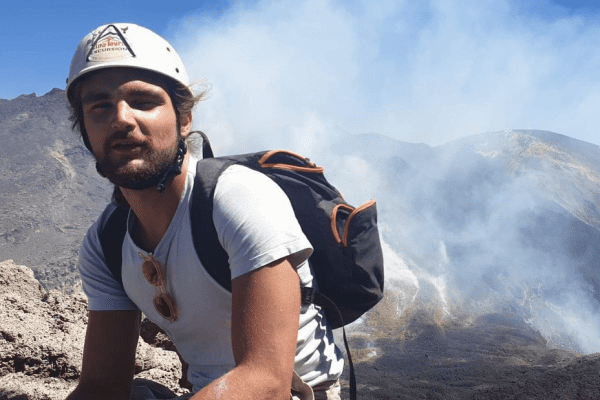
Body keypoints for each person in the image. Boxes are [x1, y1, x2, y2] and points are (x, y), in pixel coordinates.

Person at [64, 23, 344, 400]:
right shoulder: (107, 243)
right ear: (84, 129)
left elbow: (267, 382)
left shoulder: (237, 198)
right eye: (99, 107)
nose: (121, 119)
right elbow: (101, 386)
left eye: (144, 101)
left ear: (184, 120)